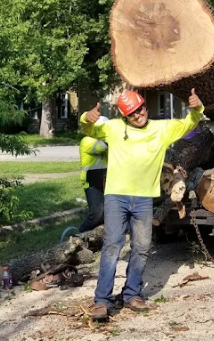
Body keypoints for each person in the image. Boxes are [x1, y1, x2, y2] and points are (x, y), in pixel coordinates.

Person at [80, 87, 203, 319]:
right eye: (132, 114)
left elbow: (189, 124)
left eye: (140, 109)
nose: (138, 115)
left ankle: (132, 294)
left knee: (142, 248)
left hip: (144, 199)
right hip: (116, 196)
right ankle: (102, 301)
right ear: (125, 116)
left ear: (145, 107)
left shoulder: (161, 128)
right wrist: (86, 117)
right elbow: (88, 129)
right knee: (112, 246)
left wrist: (197, 109)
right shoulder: (114, 128)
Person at [78, 119, 108, 233]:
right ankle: (79, 233)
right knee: (96, 213)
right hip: (91, 181)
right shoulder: (86, 141)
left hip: (104, 179)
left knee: (106, 212)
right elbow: (101, 147)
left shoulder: (105, 141)